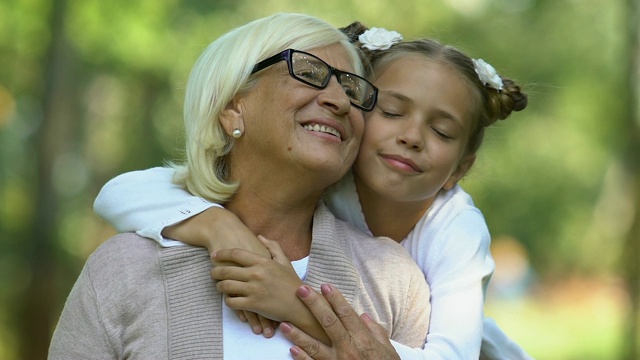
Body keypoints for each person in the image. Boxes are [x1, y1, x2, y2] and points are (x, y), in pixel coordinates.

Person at [93, 23, 532, 359]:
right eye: (392, 111)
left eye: (440, 130)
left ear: (460, 169)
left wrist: (297, 306)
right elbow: (119, 191)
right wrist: (218, 227)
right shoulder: (333, 177)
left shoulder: (457, 232)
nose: (412, 137)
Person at [49, 13, 432, 359]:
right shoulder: (124, 269)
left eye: (352, 90)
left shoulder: (392, 279)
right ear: (232, 107)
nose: (339, 101)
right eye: (309, 72)